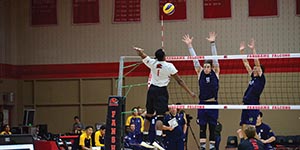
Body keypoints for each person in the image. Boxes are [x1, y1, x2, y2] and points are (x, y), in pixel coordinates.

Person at [133, 47, 196, 150]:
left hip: (151, 90)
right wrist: (190, 92)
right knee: (160, 117)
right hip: (161, 91)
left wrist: (140, 52)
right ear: (164, 57)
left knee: (148, 115)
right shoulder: (169, 66)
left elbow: (143, 56)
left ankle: (145, 139)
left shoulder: (152, 63)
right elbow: (179, 81)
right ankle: (158, 140)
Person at [182, 32, 220, 150]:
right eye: (205, 66)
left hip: (213, 104)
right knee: (202, 127)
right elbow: (195, 60)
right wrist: (189, 46)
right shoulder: (200, 73)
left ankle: (212, 147)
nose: (206, 68)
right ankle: (203, 147)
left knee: (212, 128)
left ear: (211, 67)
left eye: (208, 66)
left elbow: (215, 58)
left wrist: (212, 43)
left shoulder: (216, 71)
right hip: (202, 104)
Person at [239, 39, 266, 139]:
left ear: (260, 71)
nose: (254, 68)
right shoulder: (253, 77)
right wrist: (241, 52)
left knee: (251, 128)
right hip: (246, 104)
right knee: (243, 125)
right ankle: (245, 143)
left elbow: (257, 63)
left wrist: (253, 50)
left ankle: (257, 144)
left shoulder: (261, 79)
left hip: (253, 104)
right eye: (253, 68)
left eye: (256, 68)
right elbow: (246, 63)